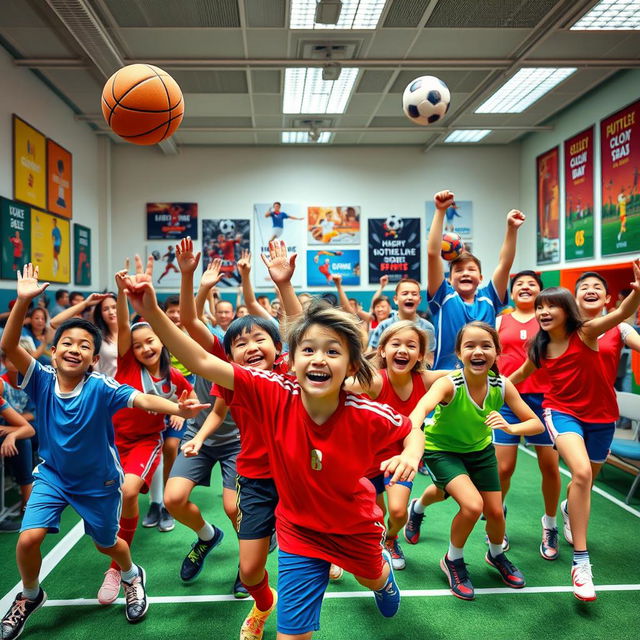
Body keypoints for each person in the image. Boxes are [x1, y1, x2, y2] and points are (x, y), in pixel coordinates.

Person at [120, 250, 424, 640]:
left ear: (351, 366)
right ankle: (265, 604)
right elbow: (197, 356)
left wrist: (412, 454)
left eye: (333, 352)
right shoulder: (270, 389)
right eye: (308, 351)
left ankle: (381, 578)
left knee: (370, 575)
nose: (319, 358)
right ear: (292, 359)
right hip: (297, 527)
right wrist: (150, 308)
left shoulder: (364, 412)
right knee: (286, 627)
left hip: (352, 524)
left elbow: (411, 431)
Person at [0, 264, 206, 638]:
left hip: (98, 480)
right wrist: (24, 303)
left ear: (95, 358)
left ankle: (131, 574)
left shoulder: (101, 386)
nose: (74, 349)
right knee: (28, 539)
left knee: (106, 544)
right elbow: (9, 346)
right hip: (53, 476)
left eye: (84, 346)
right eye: (67, 343)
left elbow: (142, 399)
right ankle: (30, 595)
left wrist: (178, 409)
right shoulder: (41, 380)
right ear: (55, 350)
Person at [509, 270, 640, 602]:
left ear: (567, 310)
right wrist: (484, 390)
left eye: (550, 306)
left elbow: (623, 314)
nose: (543, 312)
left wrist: (637, 292)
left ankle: (568, 508)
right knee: (580, 472)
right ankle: (581, 563)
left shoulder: (586, 333)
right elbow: (516, 378)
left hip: (603, 418)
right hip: (561, 413)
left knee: (587, 480)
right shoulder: (539, 348)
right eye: (539, 308)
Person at [407, 322, 543, 600]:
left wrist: (510, 428)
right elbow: (421, 407)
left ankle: (495, 555)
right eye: (470, 346)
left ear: (496, 351)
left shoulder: (502, 386)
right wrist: (412, 439)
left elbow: (536, 424)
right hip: (442, 450)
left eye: (485, 345)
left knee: (495, 511)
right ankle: (452, 560)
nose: (478, 351)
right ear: (458, 352)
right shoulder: (450, 384)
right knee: (471, 505)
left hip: (480, 451)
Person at [97, 258, 198, 605]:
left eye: (151, 341)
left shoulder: (174, 377)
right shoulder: (126, 362)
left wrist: (182, 416)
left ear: (162, 340)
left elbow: (192, 397)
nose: (145, 348)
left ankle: (118, 569)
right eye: (138, 345)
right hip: (108, 441)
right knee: (107, 505)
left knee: (127, 493)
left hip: (144, 441)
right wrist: (125, 292)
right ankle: (124, 556)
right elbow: (124, 326)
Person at [345, 321, 448, 571]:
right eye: (396, 344)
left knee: (399, 512)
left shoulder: (425, 380)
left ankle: (391, 539)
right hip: (368, 460)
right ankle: (380, 541)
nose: (403, 350)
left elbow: (461, 376)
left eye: (411, 346)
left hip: (402, 458)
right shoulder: (375, 381)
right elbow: (338, 386)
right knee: (376, 515)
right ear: (382, 350)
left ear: (421, 355)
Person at [491, 271, 561, 559]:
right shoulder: (500, 320)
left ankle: (551, 524)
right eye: (519, 283)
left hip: (545, 400)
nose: (525, 287)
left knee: (550, 467)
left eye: (531, 284)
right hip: (509, 398)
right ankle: (498, 517)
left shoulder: (549, 321)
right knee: (503, 469)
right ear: (512, 291)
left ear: (541, 293)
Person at [427, 190, 525, 369]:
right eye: (458, 270)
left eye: (471, 269)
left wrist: (512, 230)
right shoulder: (443, 297)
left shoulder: (489, 297)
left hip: (484, 378)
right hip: (446, 378)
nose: (465, 273)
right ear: (449, 279)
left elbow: (504, 264)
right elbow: (433, 254)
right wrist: (440, 211)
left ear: (480, 278)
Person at [367, 279, 436, 365]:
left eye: (414, 294)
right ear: (396, 299)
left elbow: (429, 360)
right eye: (405, 293)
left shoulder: (427, 327)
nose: (410, 297)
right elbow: (373, 358)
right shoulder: (383, 326)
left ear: (419, 299)